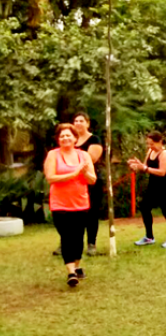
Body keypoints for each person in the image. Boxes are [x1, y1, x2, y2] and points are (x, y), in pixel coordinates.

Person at [45, 123, 96, 287]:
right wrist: (73, 173)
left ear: (75, 138)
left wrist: (84, 172)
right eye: (62, 136)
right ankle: (71, 272)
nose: (65, 138)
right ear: (58, 139)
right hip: (59, 204)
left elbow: (92, 180)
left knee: (78, 237)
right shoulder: (53, 155)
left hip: (80, 203)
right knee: (66, 237)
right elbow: (51, 178)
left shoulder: (84, 156)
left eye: (68, 135)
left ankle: (77, 265)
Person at [53, 112, 104, 257]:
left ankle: (91, 243)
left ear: (87, 123)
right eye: (75, 120)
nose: (78, 123)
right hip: (70, 182)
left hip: (89, 180)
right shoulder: (71, 140)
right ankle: (66, 243)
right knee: (68, 214)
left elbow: (91, 160)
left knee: (91, 213)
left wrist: (73, 167)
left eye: (81, 120)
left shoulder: (94, 139)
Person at [128, 132, 166, 248]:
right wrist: (136, 165)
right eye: (148, 144)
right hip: (153, 184)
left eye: (152, 144)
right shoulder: (150, 152)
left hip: (165, 185)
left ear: (160, 141)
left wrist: (145, 168)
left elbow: (162, 172)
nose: (150, 146)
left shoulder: (164, 153)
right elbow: (145, 166)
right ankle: (149, 237)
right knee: (144, 206)